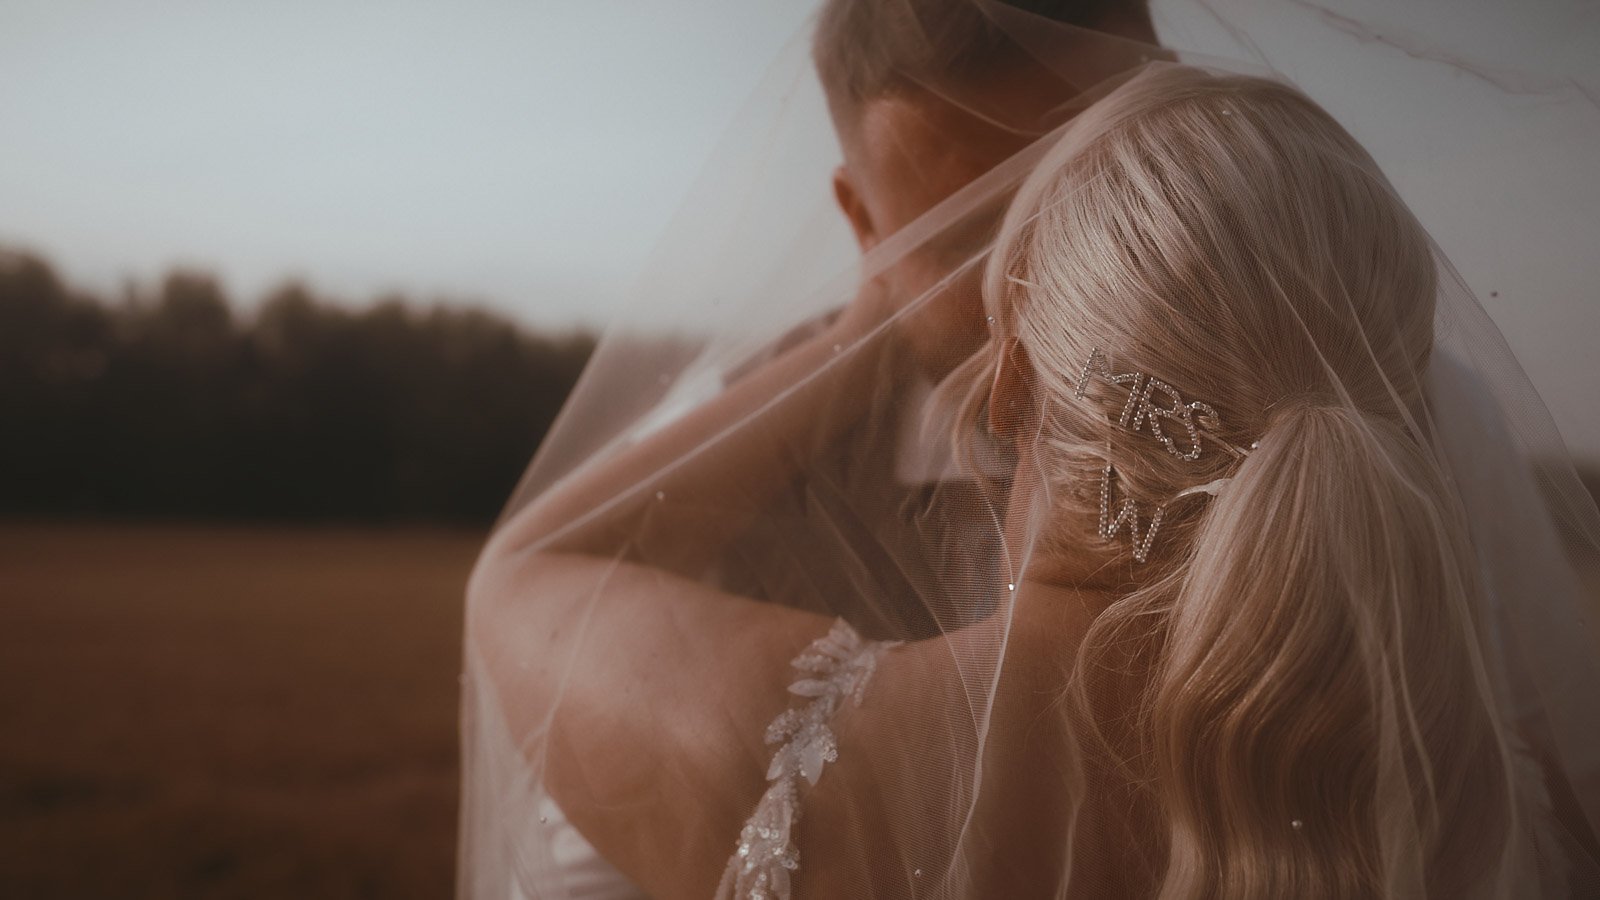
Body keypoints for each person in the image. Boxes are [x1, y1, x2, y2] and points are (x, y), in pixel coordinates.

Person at [460, 57, 1600, 900]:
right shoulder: (1502, 796)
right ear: (1402, 406)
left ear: (1009, 384)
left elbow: (528, 570)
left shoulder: (845, 774)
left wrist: (877, 307)